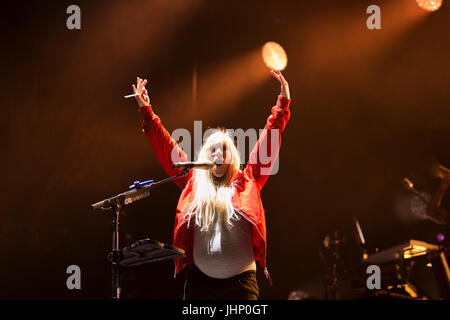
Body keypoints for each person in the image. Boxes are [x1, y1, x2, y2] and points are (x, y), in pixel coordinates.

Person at [132, 69, 291, 299]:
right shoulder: (193, 181)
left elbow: (270, 137)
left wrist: (283, 103)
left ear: (232, 156)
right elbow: (166, 149)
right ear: (205, 156)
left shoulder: (249, 180)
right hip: (200, 285)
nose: (218, 153)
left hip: (241, 286)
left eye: (224, 149)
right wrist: (146, 111)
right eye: (212, 149)